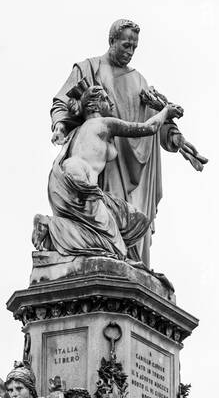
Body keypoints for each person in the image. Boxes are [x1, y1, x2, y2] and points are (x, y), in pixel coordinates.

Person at [50, 20, 207, 267]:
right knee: (106, 219)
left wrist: (176, 138)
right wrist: (60, 123)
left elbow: (156, 119)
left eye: (134, 47)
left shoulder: (140, 81)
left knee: (134, 224)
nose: (130, 51)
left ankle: (129, 268)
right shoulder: (88, 68)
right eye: (125, 45)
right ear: (112, 41)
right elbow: (63, 103)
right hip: (105, 159)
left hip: (138, 166)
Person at [37, 84, 184, 263]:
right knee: (116, 250)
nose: (111, 103)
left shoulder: (78, 131)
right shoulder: (104, 124)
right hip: (79, 180)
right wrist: (166, 112)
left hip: (60, 179)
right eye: (106, 99)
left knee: (137, 221)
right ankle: (50, 226)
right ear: (95, 105)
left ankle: (54, 228)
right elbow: (148, 128)